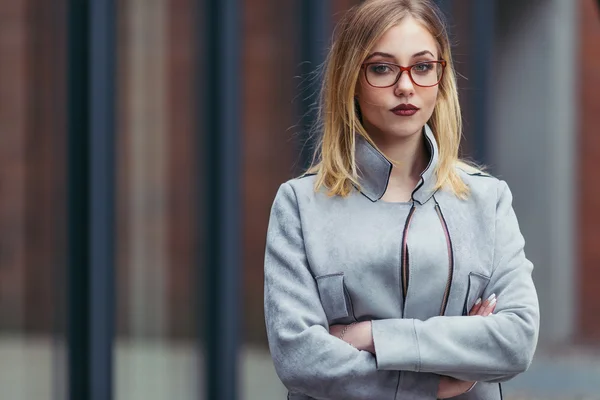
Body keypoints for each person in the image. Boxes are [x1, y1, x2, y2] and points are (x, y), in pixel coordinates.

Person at [263, 0, 540, 398]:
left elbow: (515, 340)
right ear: (350, 79)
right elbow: (300, 357)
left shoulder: (487, 200)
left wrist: (371, 335)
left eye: (423, 67)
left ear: (441, 78)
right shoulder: (300, 205)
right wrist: (438, 378)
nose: (406, 86)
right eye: (382, 68)